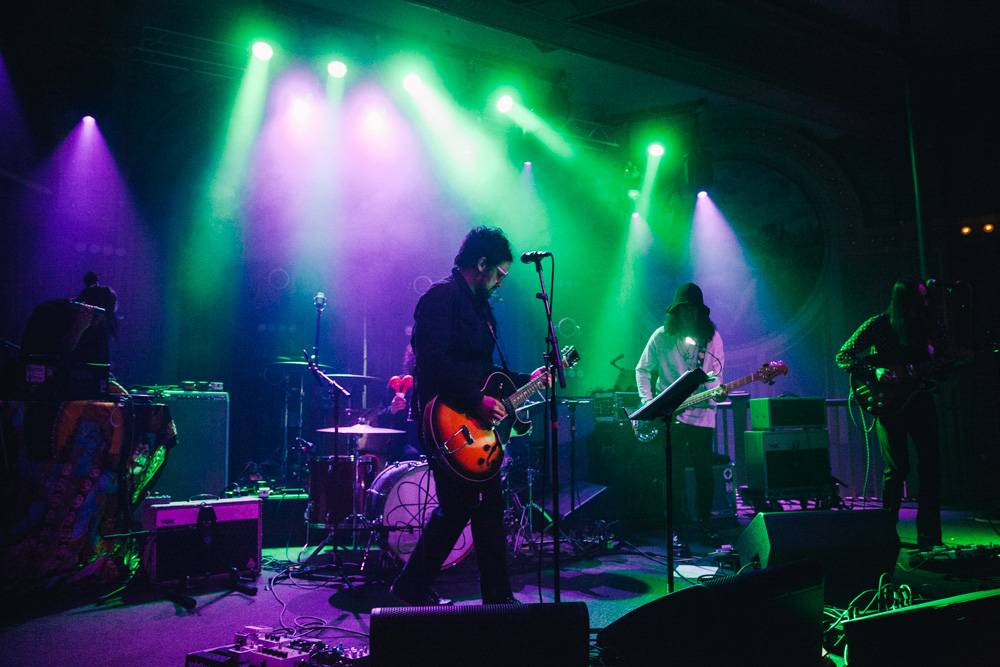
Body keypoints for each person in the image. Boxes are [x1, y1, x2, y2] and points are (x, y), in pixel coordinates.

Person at [390, 226, 549, 606]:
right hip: (443, 421)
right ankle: (409, 589)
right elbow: (433, 361)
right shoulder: (440, 299)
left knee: (487, 508)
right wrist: (475, 400)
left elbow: (487, 373)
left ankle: (496, 596)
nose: (500, 283)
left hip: (474, 427)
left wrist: (530, 379)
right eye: (499, 274)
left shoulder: (482, 312)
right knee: (459, 508)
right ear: (481, 265)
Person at [836, 276, 945, 550]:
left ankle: (929, 537)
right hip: (890, 404)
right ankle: (885, 534)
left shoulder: (932, 328)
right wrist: (875, 371)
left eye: (926, 297)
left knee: (931, 466)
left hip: (921, 401)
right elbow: (844, 355)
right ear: (904, 300)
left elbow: (942, 366)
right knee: (897, 469)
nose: (926, 302)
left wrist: (949, 364)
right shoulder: (879, 324)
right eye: (920, 297)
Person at [635, 282, 725, 541]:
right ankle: (674, 528)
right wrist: (649, 402)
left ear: (699, 312)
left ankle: (705, 523)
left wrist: (717, 389)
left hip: (702, 414)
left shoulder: (712, 339)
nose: (688, 313)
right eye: (683, 308)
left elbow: (716, 377)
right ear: (675, 311)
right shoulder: (661, 337)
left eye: (693, 309)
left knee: (703, 471)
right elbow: (642, 369)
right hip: (669, 415)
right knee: (673, 473)